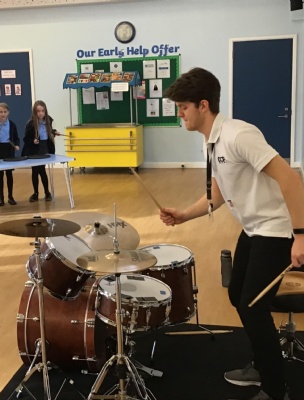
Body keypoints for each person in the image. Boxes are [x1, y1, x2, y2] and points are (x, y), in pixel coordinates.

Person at [160, 67, 304, 400]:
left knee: (252, 306)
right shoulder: (210, 142)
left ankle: (275, 388)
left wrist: (300, 234)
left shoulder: (238, 135)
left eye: (183, 107)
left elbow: (291, 178)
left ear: (203, 105)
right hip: (253, 229)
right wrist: (183, 215)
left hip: (276, 230)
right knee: (238, 295)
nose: (180, 114)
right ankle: (262, 363)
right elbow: (218, 193)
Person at [21, 100, 58, 202]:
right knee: (35, 171)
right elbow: (26, 139)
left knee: (42, 170)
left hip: (44, 147)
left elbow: (48, 132)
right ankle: (36, 193)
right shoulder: (31, 124)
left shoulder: (48, 121)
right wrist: (33, 140)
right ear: (35, 112)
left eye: (42, 111)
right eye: (38, 111)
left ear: (45, 111)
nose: (41, 113)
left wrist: (54, 132)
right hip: (34, 150)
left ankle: (46, 192)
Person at [0, 102, 20, 206]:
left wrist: (17, 145)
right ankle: (1, 198)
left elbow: (16, 138)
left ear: (8, 112)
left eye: (5, 112)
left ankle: (10, 196)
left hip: (9, 149)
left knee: (9, 174)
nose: (3, 114)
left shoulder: (12, 124)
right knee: (0, 174)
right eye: (1, 112)